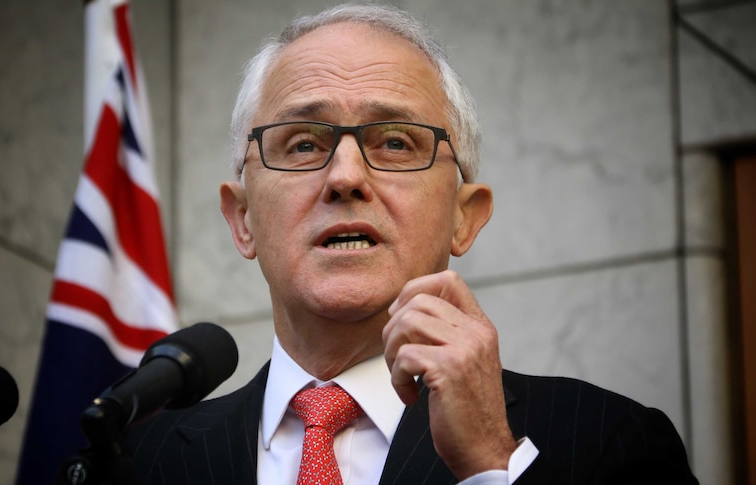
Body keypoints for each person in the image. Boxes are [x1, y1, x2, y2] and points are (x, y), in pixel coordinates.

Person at [126, 4, 698, 484]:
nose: (345, 176)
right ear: (242, 218)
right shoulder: (131, 462)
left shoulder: (609, 440)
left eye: (396, 141)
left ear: (463, 218)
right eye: (302, 144)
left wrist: (490, 466)